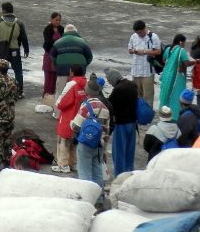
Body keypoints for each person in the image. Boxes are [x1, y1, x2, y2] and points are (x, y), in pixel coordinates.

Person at [70, 74, 110, 206]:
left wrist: (71, 124)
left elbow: (76, 126)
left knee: (84, 170)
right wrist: (104, 147)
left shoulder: (86, 106)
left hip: (85, 143)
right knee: (97, 170)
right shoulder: (104, 108)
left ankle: (85, 199)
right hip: (99, 144)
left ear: (88, 91)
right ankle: (99, 198)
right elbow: (106, 130)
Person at [0, 2, 30, 98]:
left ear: (4, 11)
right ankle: (19, 92)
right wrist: (26, 50)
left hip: (2, 50)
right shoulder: (19, 23)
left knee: (2, 71)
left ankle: (1, 90)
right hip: (15, 50)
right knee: (18, 71)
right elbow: (24, 38)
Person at [106, 67, 139, 176]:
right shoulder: (132, 85)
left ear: (113, 79)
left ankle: (119, 177)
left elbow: (109, 105)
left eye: (109, 80)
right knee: (129, 152)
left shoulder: (118, 89)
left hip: (121, 124)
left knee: (119, 153)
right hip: (133, 123)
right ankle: (129, 174)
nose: (109, 83)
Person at [51, 24, 93, 101]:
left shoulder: (57, 42)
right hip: (79, 73)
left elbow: (53, 57)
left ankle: (58, 112)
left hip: (62, 71)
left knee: (60, 93)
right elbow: (89, 57)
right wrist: (83, 66)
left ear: (65, 32)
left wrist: (58, 66)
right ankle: (77, 112)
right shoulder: (82, 42)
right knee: (79, 93)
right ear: (75, 32)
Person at [160, 33, 195, 119]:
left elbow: (164, 60)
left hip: (166, 76)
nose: (184, 45)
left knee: (165, 96)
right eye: (184, 43)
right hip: (175, 77)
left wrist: (171, 64)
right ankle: (174, 116)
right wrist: (195, 62)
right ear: (180, 42)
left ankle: (163, 114)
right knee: (176, 96)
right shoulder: (181, 50)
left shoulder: (168, 49)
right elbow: (186, 63)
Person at [128, 20, 161, 108]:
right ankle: (138, 113)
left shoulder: (153, 37)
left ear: (144, 29)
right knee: (137, 94)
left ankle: (148, 114)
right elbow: (129, 50)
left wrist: (145, 52)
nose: (139, 34)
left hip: (147, 71)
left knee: (148, 95)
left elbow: (158, 51)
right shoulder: (133, 37)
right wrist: (134, 51)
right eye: (137, 33)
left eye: (140, 32)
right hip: (136, 70)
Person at [42, 12, 65, 103]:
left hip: (59, 56)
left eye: (59, 20)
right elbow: (47, 43)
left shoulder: (62, 29)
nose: (58, 22)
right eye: (56, 20)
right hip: (49, 55)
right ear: (51, 19)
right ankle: (46, 97)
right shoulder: (47, 29)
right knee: (48, 78)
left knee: (56, 78)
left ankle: (55, 99)